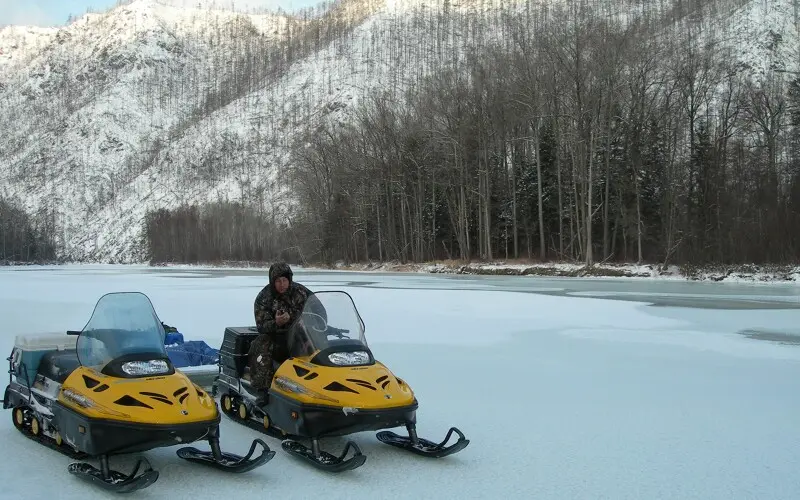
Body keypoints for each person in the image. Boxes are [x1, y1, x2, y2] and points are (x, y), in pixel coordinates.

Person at [248, 262, 312, 402]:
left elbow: (319, 312)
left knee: (319, 344)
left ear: (289, 280)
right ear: (272, 282)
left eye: (284, 280)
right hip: (276, 337)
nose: (282, 284)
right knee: (261, 344)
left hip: (299, 334)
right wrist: (276, 323)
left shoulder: (301, 292)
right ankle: (263, 390)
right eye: (278, 281)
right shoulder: (264, 297)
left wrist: (293, 317)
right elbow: (261, 326)